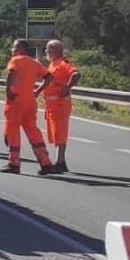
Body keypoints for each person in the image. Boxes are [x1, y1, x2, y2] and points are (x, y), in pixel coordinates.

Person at [1, 39, 58, 175]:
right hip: (30, 101)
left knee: (12, 129)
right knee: (33, 130)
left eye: (14, 47)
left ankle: (13, 163)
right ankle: (45, 162)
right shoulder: (34, 63)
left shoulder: (15, 60)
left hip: (16, 100)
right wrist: (38, 91)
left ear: (21, 49)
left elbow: (11, 73)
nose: (12, 50)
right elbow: (49, 77)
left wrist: (8, 91)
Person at [38, 40, 81, 173]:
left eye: (48, 49)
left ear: (55, 49)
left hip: (60, 105)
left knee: (59, 133)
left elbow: (76, 74)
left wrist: (68, 87)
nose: (46, 52)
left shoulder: (64, 63)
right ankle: (61, 162)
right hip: (51, 106)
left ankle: (59, 162)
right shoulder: (52, 65)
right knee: (56, 134)